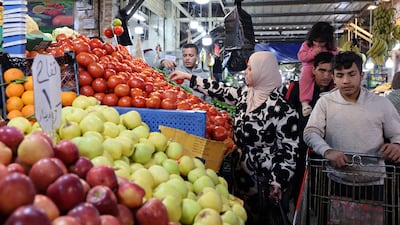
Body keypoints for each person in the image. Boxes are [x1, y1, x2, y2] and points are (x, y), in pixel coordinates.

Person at [169, 51, 299, 225]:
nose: (246, 72)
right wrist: (188, 77)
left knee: (261, 220)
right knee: (238, 216)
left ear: (263, 72)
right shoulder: (247, 95)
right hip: (240, 175)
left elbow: (289, 150)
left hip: (264, 181)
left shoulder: (282, 110)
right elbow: (221, 90)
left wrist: (278, 182)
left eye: (250, 69)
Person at [303, 51, 400, 224]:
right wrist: (327, 151)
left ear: (361, 75)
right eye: (340, 75)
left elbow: (397, 133)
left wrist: (396, 145)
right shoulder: (325, 102)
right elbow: (311, 132)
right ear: (333, 77)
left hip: (374, 182)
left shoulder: (380, 103)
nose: (346, 81)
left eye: (351, 74)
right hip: (336, 180)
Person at [285, 51, 334, 204]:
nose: (326, 76)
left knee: (323, 195)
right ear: (313, 69)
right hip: (299, 149)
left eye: (331, 71)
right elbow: (286, 118)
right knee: (299, 188)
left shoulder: (336, 93)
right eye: (322, 70)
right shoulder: (297, 88)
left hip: (327, 150)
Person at [297, 22, 338, 117]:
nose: (318, 44)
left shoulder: (330, 47)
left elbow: (336, 54)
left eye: (321, 42)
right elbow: (301, 57)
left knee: (334, 76)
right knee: (305, 79)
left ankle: (333, 96)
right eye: (316, 41)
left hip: (328, 65)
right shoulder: (307, 45)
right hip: (309, 65)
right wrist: (313, 53)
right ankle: (305, 102)